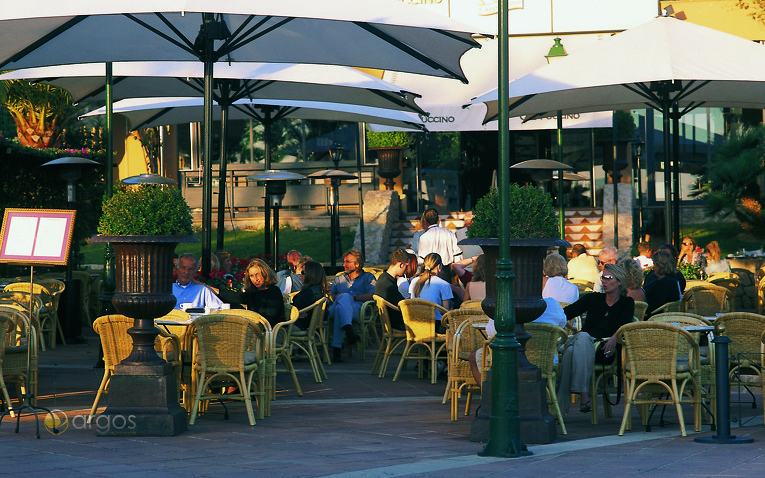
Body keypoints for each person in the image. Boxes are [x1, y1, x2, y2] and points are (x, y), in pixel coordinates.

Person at [558, 263, 634, 415]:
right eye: (602, 278)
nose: (604, 281)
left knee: (569, 353)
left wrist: (614, 339)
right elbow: (565, 314)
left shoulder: (627, 303)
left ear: (619, 281)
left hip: (604, 351)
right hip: (585, 342)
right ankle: (584, 394)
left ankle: (558, 411)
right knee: (583, 336)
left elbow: (625, 327)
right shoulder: (593, 299)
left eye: (608, 278)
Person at [469, 298, 567, 383]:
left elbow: (491, 334)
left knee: (475, 355)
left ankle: (490, 397)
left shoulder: (502, 305)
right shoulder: (552, 304)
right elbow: (562, 325)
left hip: (506, 362)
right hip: (546, 361)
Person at [329, 249, 375, 362]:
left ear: (357, 264)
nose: (344, 265)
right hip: (333, 308)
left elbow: (373, 295)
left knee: (342, 306)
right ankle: (349, 332)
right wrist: (337, 297)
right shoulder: (339, 279)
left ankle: (337, 348)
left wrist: (353, 297)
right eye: (344, 261)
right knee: (342, 301)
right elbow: (330, 294)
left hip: (357, 308)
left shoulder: (368, 277)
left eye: (348, 262)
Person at [216, 258, 285, 327]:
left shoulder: (274, 291)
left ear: (265, 274)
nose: (255, 279)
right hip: (255, 329)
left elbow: (269, 319)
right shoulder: (253, 292)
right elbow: (235, 297)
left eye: (257, 274)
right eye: (251, 276)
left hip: (273, 331)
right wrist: (215, 291)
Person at [409, 253, 453, 331]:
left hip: (415, 324)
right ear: (439, 266)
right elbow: (445, 313)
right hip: (435, 326)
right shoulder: (443, 284)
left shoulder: (414, 281)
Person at [375, 248, 409, 330]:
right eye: (406, 266)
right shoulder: (387, 284)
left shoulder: (384, 278)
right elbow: (404, 306)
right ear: (401, 265)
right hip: (397, 325)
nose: (407, 270)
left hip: (390, 322)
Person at [643, 249, 683, 318]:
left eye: (654, 264)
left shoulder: (665, 284)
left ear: (659, 265)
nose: (653, 267)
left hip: (655, 318)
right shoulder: (674, 279)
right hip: (666, 316)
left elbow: (652, 305)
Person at [291, 260, 329, 331]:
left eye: (303, 272)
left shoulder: (312, 292)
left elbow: (296, 306)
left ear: (311, 274)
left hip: (302, 326)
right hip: (303, 323)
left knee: (276, 329)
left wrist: (298, 314)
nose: (300, 275)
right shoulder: (316, 289)